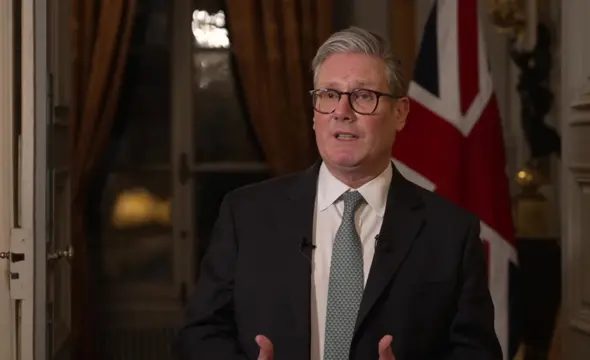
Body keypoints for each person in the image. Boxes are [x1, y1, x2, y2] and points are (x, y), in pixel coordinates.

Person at [173, 26, 502, 360]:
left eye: (363, 96)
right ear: (315, 113)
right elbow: (200, 334)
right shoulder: (245, 214)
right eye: (329, 95)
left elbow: (477, 353)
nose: (342, 112)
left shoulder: (450, 231)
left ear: (400, 113)